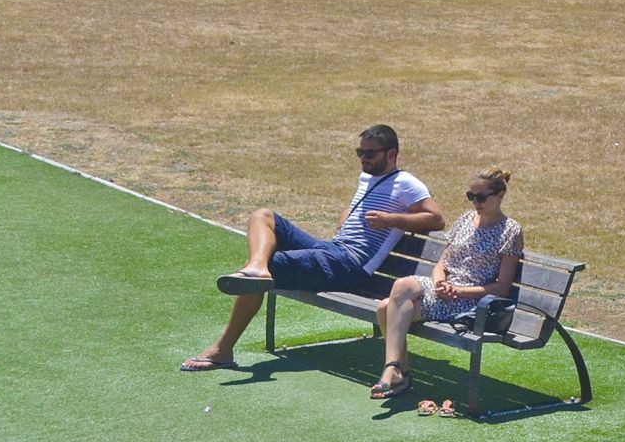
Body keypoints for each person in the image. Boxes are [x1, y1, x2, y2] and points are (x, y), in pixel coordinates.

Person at [180, 125, 444, 372]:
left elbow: (437, 218)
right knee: (263, 215)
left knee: (273, 267)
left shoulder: (407, 183)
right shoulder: (367, 176)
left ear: (391, 154)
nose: (363, 158)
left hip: (350, 266)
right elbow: (357, 204)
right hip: (333, 250)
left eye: (370, 153)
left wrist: (391, 220)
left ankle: (223, 348)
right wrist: (347, 216)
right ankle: (256, 267)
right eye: (359, 152)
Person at [369, 166, 524, 401]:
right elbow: (442, 262)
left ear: (500, 195)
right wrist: (439, 282)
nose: (475, 202)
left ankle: (399, 372)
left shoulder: (510, 231)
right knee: (402, 285)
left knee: (384, 308)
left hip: (467, 301)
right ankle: (393, 367)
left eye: (481, 197)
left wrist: (457, 290)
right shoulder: (464, 220)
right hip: (442, 289)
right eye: (471, 196)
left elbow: (501, 287)